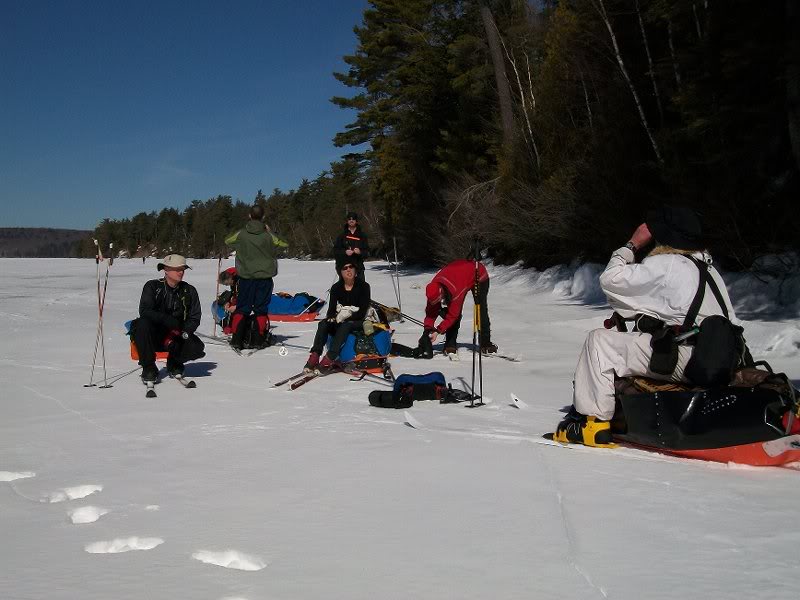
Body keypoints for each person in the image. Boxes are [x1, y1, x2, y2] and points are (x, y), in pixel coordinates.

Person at [553, 205, 738, 447]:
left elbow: (611, 281)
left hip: (693, 359)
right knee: (643, 342)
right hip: (726, 358)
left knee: (599, 341)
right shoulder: (709, 269)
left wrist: (631, 246)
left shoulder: (670, 264)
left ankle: (593, 424)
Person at [133, 254, 205, 381]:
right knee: (141, 324)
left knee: (197, 348)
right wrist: (166, 319)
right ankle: (149, 367)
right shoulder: (152, 287)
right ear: (166, 270)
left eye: (183, 269)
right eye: (177, 269)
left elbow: (194, 317)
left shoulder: (189, 290)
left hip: (177, 335)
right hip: (154, 334)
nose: (181, 272)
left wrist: (185, 331)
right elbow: (144, 311)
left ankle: (174, 362)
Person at [225, 205, 279, 350]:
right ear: (263, 217)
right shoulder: (267, 234)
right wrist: (269, 232)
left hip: (246, 276)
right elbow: (282, 242)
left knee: (242, 308)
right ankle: (258, 339)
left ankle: (237, 339)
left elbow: (228, 240)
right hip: (264, 276)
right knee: (261, 309)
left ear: (249, 216)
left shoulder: (242, 233)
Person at [304, 258, 371, 373]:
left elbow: (362, 311)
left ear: (355, 270)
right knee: (323, 323)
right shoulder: (336, 288)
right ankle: (315, 355)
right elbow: (331, 310)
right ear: (340, 272)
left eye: (351, 267)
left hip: (359, 320)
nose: (348, 270)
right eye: (345, 268)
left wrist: (345, 318)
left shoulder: (364, 286)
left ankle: (330, 357)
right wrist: (332, 318)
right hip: (341, 318)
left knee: (346, 325)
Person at [423, 258, 497, 356]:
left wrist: (438, 331)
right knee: (449, 310)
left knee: (480, 310)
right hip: (460, 274)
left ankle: (486, 343)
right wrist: (427, 329)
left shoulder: (455, 290)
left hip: (478, 274)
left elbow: (453, 315)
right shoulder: (433, 288)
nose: (438, 302)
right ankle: (450, 344)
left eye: (439, 300)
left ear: (441, 293)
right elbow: (431, 312)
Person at [333, 211, 369, 277]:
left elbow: (367, 252)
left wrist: (360, 252)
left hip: (358, 268)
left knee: (360, 286)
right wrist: (345, 252)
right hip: (345, 268)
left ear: (356, 221)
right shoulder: (342, 236)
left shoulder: (362, 236)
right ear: (347, 221)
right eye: (349, 219)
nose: (351, 220)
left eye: (353, 219)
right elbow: (335, 251)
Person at [214, 267, 239, 334]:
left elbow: (244, 297)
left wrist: (236, 306)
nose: (227, 285)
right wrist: (228, 302)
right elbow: (234, 294)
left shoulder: (239, 282)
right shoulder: (234, 283)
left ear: (229, 279)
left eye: (226, 284)